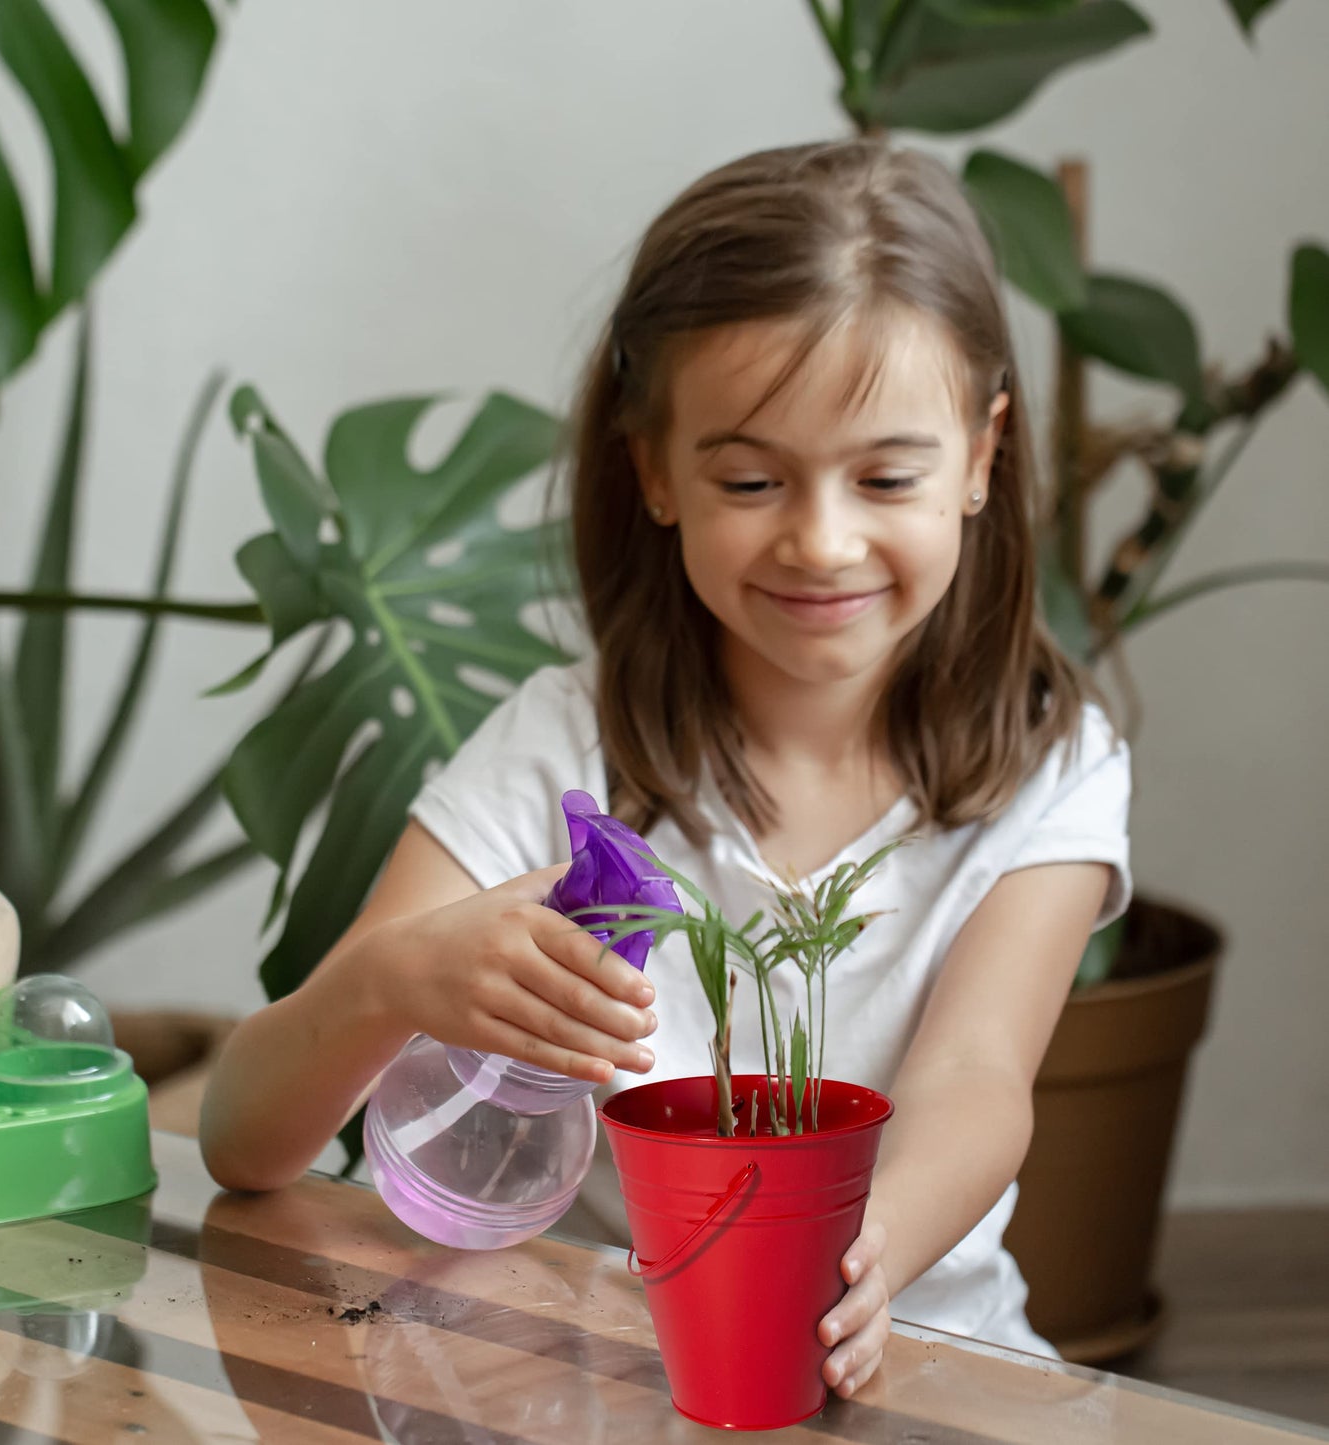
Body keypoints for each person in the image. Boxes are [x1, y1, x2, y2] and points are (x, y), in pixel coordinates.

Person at [201, 139, 1131, 1400]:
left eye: (886, 475)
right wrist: (387, 980)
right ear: (652, 470)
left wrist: (848, 1259)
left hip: (911, 1355)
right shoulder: (559, 749)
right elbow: (242, 1138)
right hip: (588, 1372)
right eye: (749, 478)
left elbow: (971, 1075)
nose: (821, 537)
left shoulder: (1048, 764)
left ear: (979, 456)